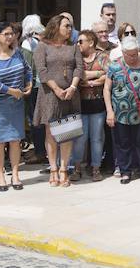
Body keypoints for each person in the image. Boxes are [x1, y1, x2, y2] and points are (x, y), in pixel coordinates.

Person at [33, 15, 82, 188]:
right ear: (56, 27)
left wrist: (72, 87)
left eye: (71, 26)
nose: (70, 29)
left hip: (70, 93)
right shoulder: (43, 46)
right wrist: (57, 89)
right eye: (67, 26)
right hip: (49, 95)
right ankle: (53, 168)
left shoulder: (73, 47)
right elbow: (42, 71)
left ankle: (64, 169)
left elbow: (78, 68)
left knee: (67, 133)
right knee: (51, 133)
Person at [0, 22, 33, 192]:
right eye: (6, 34)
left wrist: (29, 82)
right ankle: (0, 175)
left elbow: (28, 70)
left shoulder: (18, 54)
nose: (10, 36)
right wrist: (11, 91)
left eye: (12, 33)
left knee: (15, 140)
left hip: (16, 105)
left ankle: (16, 174)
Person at [104, 36, 140, 184]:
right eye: (129, 54)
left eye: (135, 54)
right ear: (123, 52)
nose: (133, 57)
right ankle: (126, 171)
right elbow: (107, 89)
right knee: (122, 142)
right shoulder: (114, 66)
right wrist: (109, 111)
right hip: (120, 112)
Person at [70, 30, 109, 182]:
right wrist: (98, 74)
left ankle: (96, 168)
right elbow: (75, 77)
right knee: (79, 138)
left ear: (91, 42)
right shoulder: (76, 58)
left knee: (97, 138)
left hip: (98, 105)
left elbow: (110, 74)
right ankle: (77, 168)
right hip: (79, 105)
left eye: (81, 41)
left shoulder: (103, 57)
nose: (78, 44)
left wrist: (91, 80)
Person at [20, 15, 46, 165]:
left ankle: (39, 152)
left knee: (34, 120)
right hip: (42, 86)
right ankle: (40, 150)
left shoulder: (27, 44)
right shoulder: (41, 42)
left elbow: (28, 69)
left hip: (34, 88)